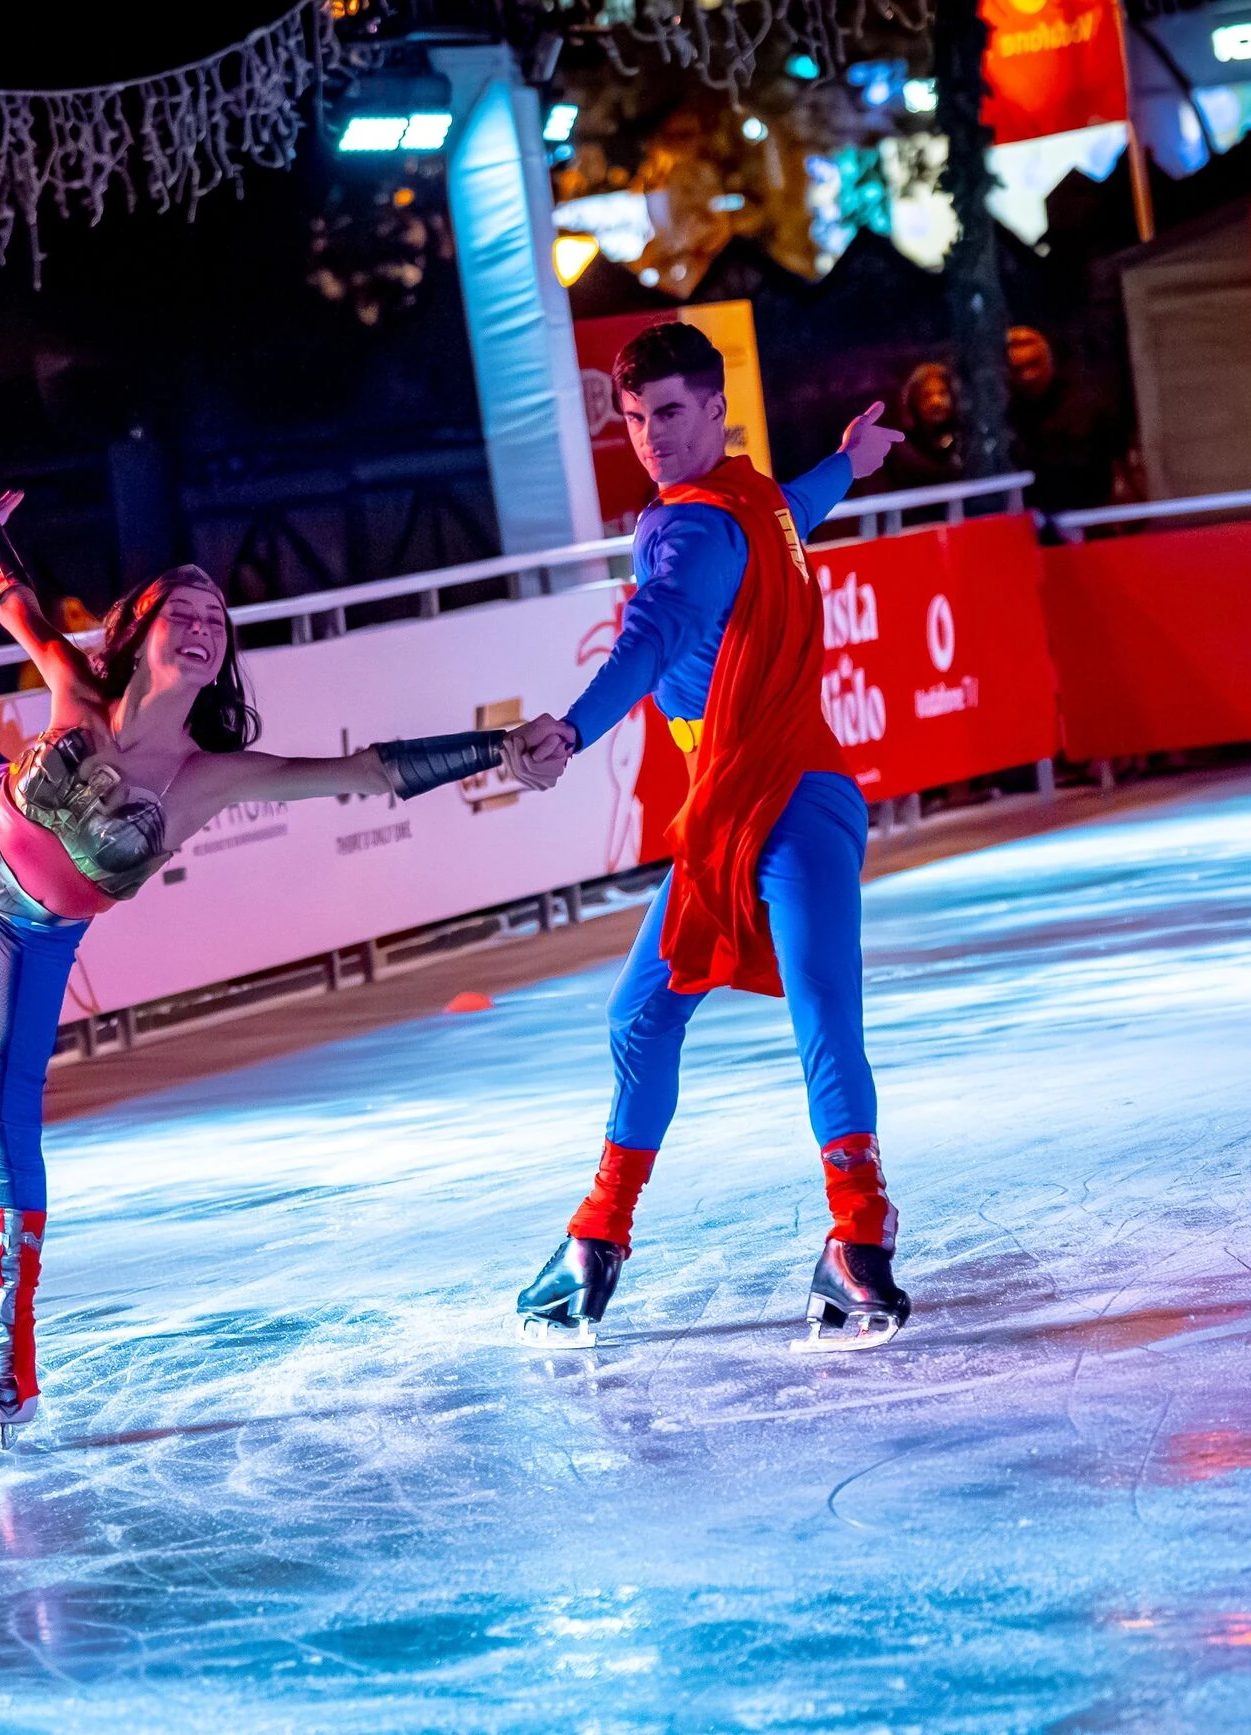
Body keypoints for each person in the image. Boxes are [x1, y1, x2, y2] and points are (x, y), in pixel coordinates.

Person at [0, 480, 552, 1445]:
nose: (202, 627)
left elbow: (366, 773)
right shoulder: (75, 686)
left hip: (23, 929)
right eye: (182, 613)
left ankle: (6, 1355)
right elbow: (18, 607)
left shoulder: (209, 776)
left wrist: (499, 746)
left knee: (4, 1114)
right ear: (139, 631)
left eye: (217, 620)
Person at [501, 319, 916, 1353]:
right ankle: (833, 1246)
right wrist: (849, 462)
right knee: (755, 1016)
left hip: (756, 811)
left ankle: (618, 1241)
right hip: (804, 804)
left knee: (674, 1023)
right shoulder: (759, 497)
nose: (650, 438)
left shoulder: (687, 525)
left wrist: (574, 726)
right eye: (635, 419)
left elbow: (654, 634)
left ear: (717, 409)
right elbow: (804, 504)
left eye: (670, 413)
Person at [1004, 326, 1127, 513]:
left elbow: (1118, 456)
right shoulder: (1005, 415)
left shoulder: (1087, 403)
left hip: (1092, 517)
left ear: (1049, 358)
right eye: (1018, 369)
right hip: (1033, 520)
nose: (1027, 376)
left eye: (1033, 364)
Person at [877, 360, 964, 495]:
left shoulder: (966, 438)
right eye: (926, 395)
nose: (936, 402)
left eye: (942, 393)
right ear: (913, 403)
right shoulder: (903, 451)